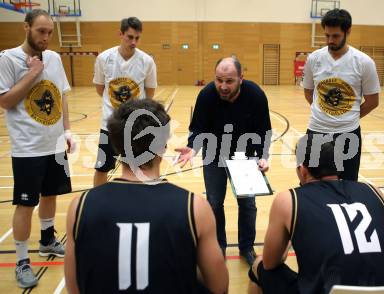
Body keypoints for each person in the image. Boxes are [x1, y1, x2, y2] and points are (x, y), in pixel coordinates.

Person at [64, 99, 229, 293]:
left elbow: (74, 287)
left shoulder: (80, 206)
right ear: (162, 147)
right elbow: (219, 288)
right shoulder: (195, 207)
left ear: (116, 146)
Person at [248, 135, 384, 294]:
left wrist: (289, 235)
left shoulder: (288, 200)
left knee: (258, 265)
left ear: (303, 170)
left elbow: (271, 263)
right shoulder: (373, 191)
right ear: (337, 168)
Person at [0, 9, 74, 289]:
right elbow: (5, 101)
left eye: (50, 32)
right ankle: (21, 261)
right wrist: (32, 72)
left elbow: (62, 95)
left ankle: (47, 241)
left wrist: (66, 130)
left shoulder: (54, 58)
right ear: (26, 27)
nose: (46, 37)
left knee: (51, 194)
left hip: (53, 143)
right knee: (25, 203)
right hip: (27, 148)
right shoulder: (8, 59)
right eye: (41, 31)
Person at [175, 56, 272, 266]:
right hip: (214, 154)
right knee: (214, 203)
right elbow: (198, 128)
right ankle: (219, 245)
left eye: (229, 81)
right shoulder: (207, 95)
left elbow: (264, 130)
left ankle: (246, 247)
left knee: (247, 204)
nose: (223, 86)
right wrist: (193, 146)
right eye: (219, 80)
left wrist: (263, 156)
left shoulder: (255, 95)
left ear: (241, 79)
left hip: (245, 156)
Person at [301, 8, 380, 181]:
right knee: (309, 182)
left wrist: (349, 117)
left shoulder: (364, 62)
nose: (330, 40)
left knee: (348, 183)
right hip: (316, 130)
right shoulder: (314, 59)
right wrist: (324, 112)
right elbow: (308, 92)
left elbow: (373, 101)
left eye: (335, 36)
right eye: (327, 35)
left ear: (348, 31)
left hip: (348, 133)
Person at [93, 16, 157, 187]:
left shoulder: (147, 61)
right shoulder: (104, 58)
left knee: (139, 167)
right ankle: (97, 202)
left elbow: (149, 93)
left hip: (136, 126)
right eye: (130, 37)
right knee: (102, 168)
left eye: (137, 38)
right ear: (120, 34)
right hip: (109, 125)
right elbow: (100, 89)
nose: (134, 42)